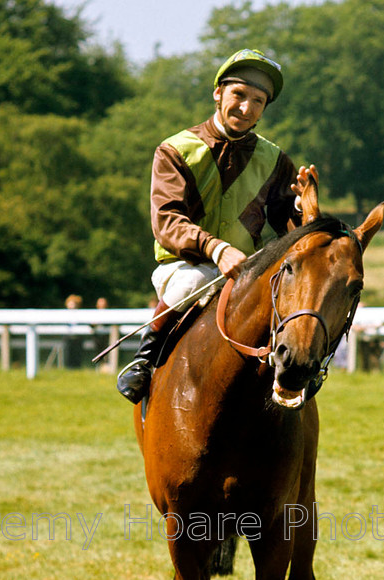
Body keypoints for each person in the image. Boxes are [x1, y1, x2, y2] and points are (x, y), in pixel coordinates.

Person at [117, 48, 316, 403]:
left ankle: (303, 369)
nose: (247, 108)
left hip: (246, 272)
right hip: (185, 265)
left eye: (258, 101)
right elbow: (167, 221)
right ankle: (144, 360)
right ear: (218, 93)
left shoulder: (276, 159)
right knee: (196, 280)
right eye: (239, 95)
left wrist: (303, 209)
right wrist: (215, 248)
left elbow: (288, 225)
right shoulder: (174, 150)